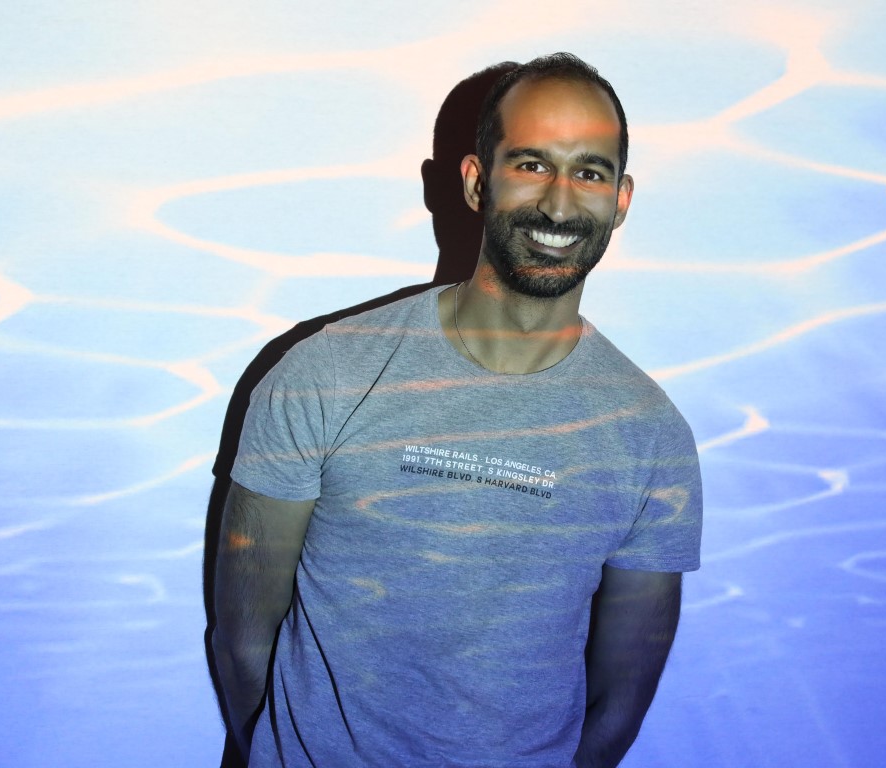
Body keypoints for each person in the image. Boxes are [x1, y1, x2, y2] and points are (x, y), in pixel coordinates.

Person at [212, 52, 703, 768]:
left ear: (621, 200)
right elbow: (242, 638)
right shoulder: (324, 375)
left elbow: (622, 696)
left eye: (590, 172)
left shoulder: (650, 435)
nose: (560, 204)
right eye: (532, 164)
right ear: (477, 181)